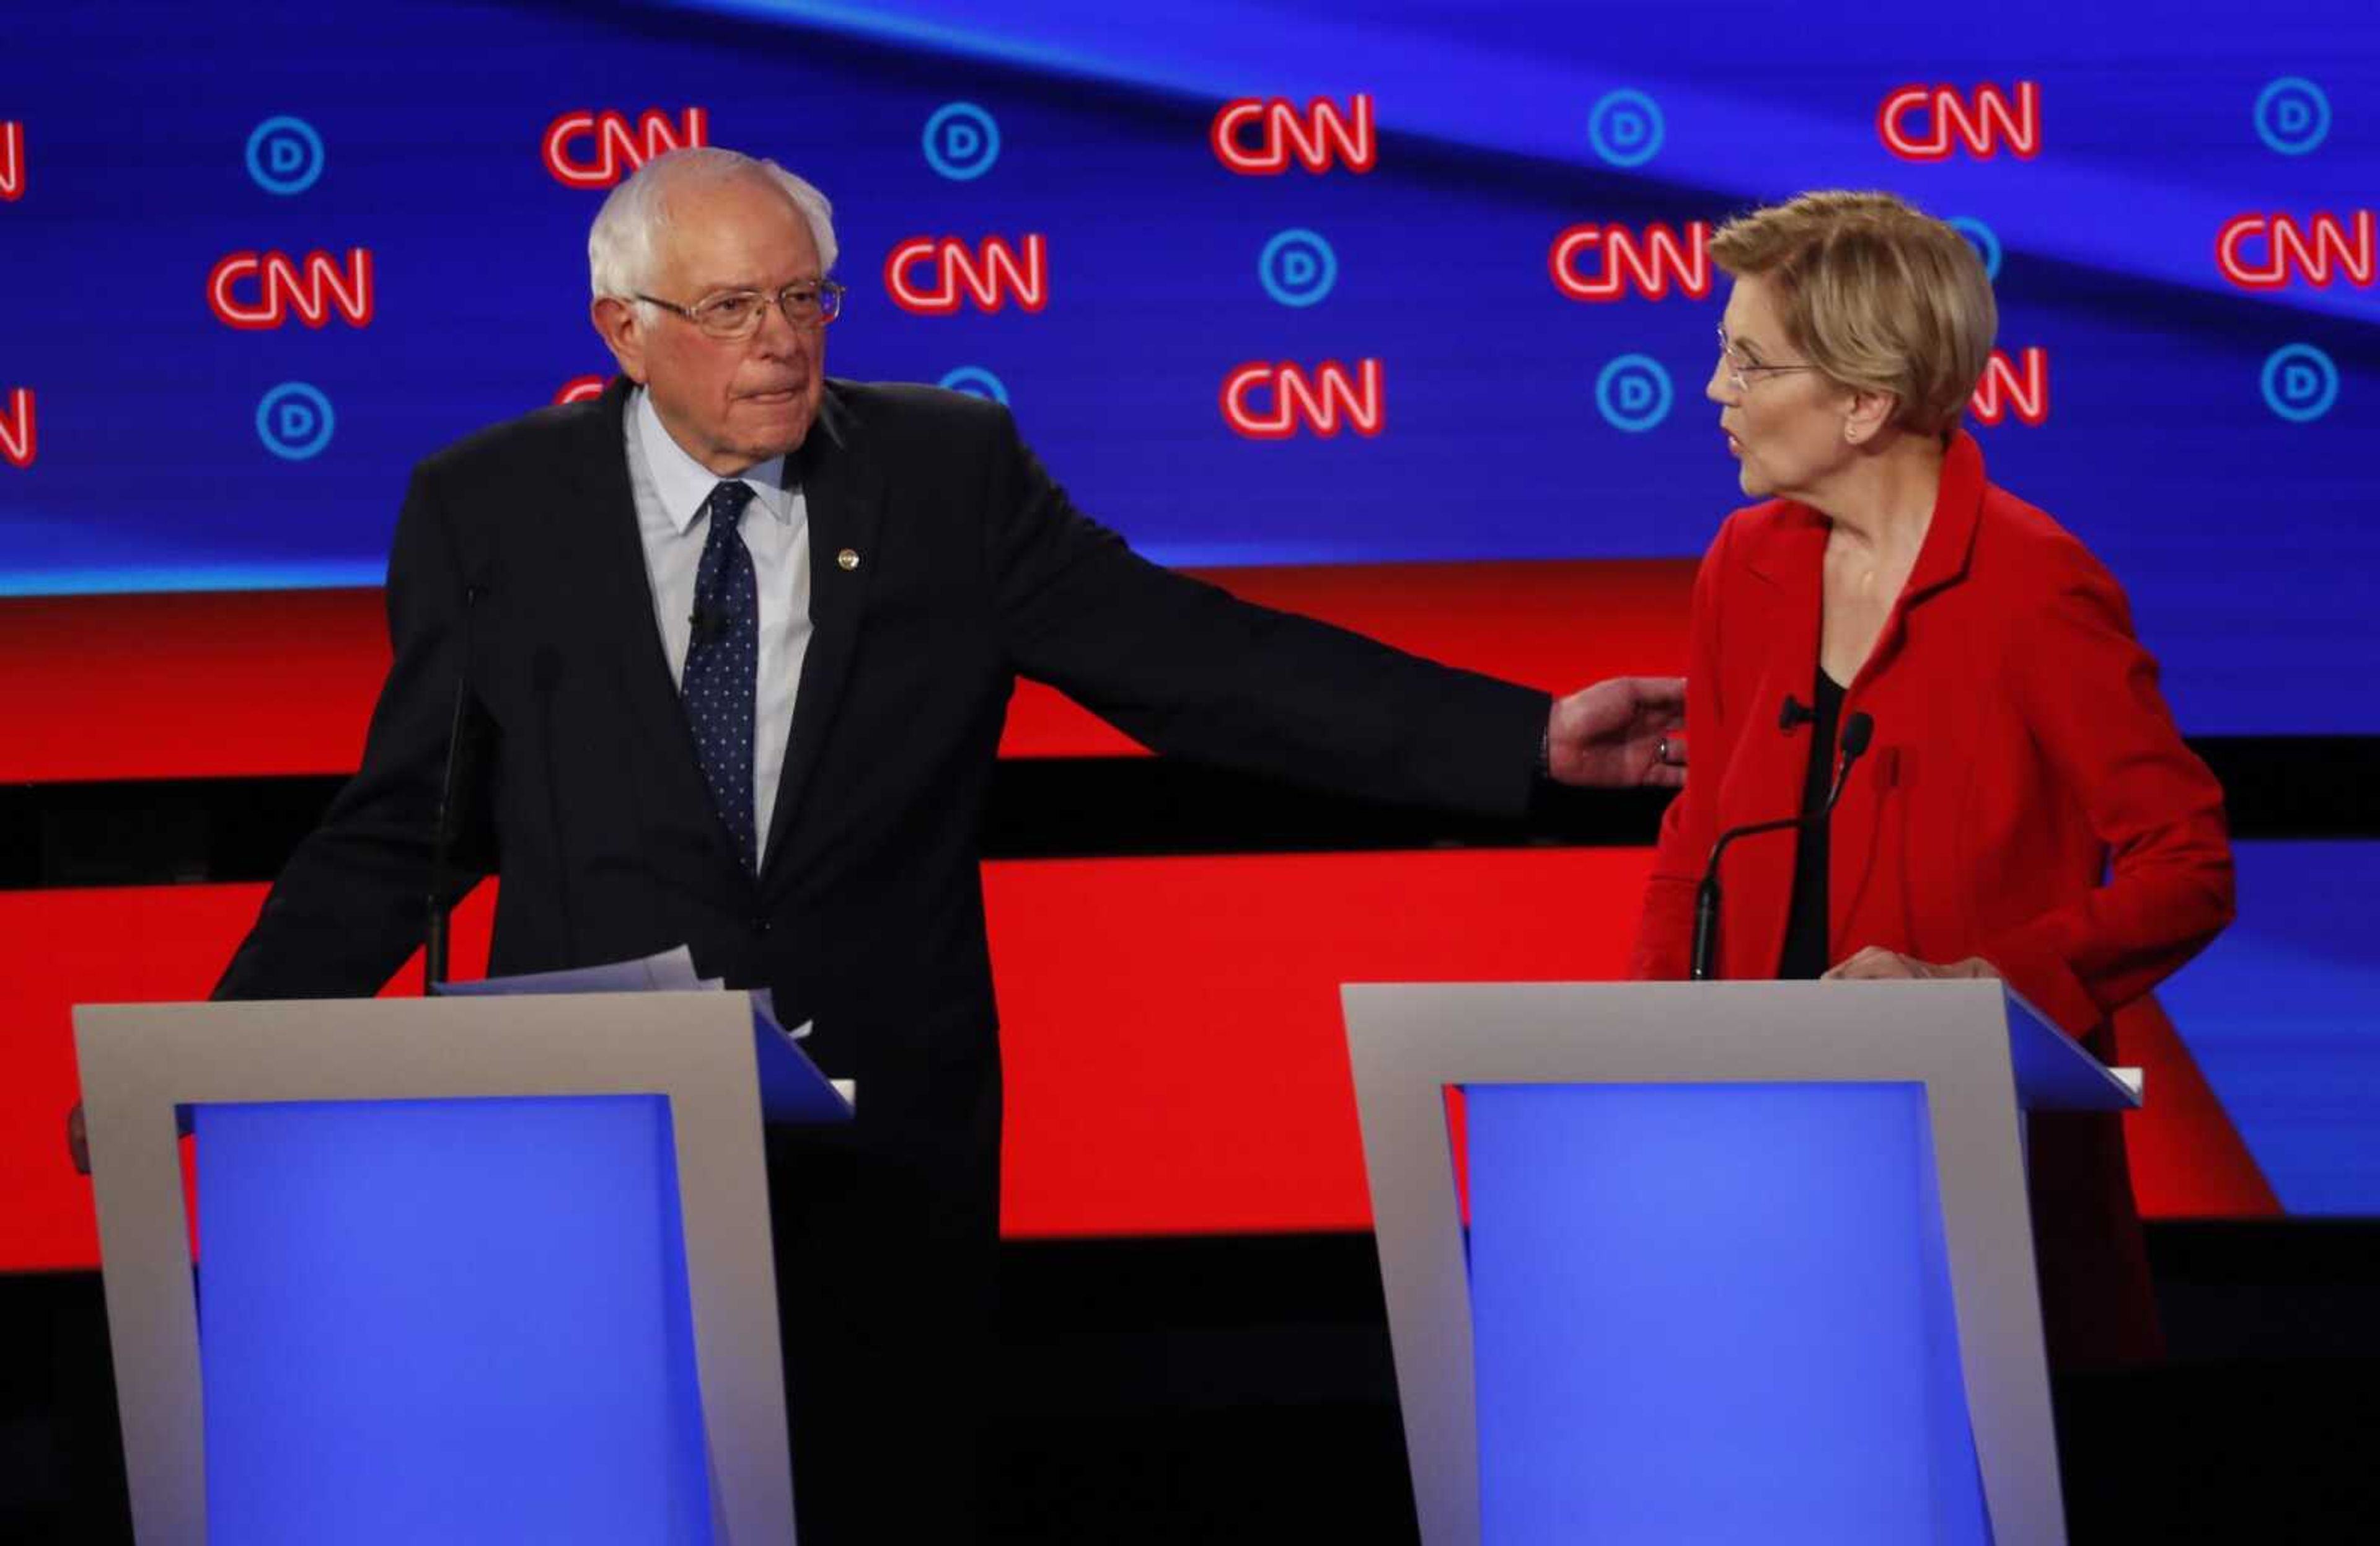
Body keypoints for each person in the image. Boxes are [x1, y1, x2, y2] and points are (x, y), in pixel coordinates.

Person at [195, 146, 1683, 1540]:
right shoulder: (487, 507)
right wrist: (228, 1052)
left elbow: (1199, 662)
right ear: (623, 329)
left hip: (879, 1148)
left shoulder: (943, 474)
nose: (780, 340)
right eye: (729, 308)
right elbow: (411, 819)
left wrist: (1526, 740)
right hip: (596, 1143)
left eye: (804, 297)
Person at [1629, 190, 2234, 1370]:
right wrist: (1639, 1061)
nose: (1717, 392)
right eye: (1721, 355)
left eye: (1748, 362)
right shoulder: (1743, 564)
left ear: (1864, 400)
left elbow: (2190, 863)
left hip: (1969, 1159)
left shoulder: (2035, 586)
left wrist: (1984, 987)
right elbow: (1693, 841)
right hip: (1765, 1151)